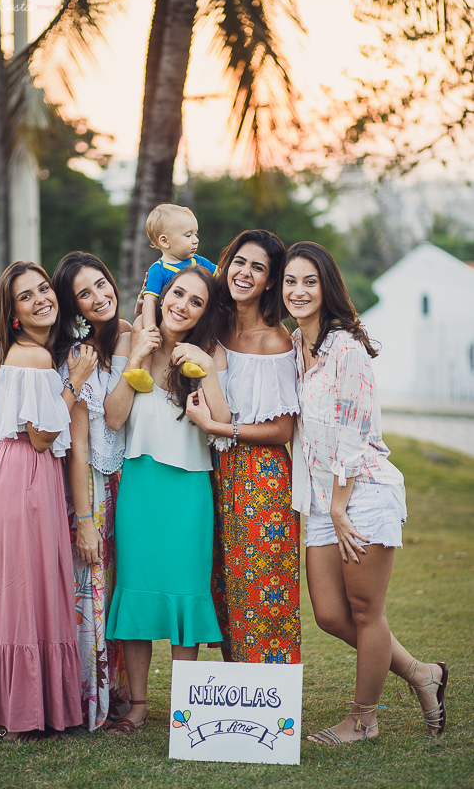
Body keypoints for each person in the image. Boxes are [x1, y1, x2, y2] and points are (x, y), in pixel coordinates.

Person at [282, 241, 448, 743]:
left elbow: (353, 433)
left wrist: (339, 505)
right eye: (290, 280)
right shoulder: (296, 345)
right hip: (318, 498)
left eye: (309, 280)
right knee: (330, 614)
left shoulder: (346, 349)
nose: (298, 290)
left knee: (365, 611)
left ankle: (363, 719)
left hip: (362, 492)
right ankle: (423, 674)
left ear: (327, 286)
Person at [0, 261, 97, 741]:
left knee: (5, 595)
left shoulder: (22, 352)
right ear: (13, 313)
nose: (41, 299)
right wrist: (75, 380)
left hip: (6, 479)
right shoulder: (34, 358)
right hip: (26, 480)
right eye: (26, 296)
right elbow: (41, 436)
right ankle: (17, 713)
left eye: (43, 289)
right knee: (22, 596)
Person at [103, 265, 230, 733]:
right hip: (140, 486)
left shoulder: (207, 353)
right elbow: (114, 418)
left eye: (196, 301)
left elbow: (225, 424)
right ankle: (138, 705)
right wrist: (137, 353)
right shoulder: (131, 342)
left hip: (189, 491)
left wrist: (207, 373)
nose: (183, 305)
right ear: (163, 293)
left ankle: (187, 707)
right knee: (136, 594)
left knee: (185, 595)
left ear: (205, 312)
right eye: (178, 294)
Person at [186, 230, 301, 664]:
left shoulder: (275, 341)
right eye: (239, 262)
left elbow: (282, 430)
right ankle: (239, 696)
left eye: (258, 267)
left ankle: (270, 700)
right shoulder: (214, 325)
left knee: (264, 592)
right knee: (225, 588)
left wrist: (220, 428)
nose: (244, 273)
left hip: (262, 480)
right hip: (215, 474)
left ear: (271, 281)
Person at [52, 251, 137, 732]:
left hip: (123, 484)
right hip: (91, 489)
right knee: (91, 592)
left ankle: (118, 691)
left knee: (113, 592)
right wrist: (85, 521)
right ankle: (89, 701)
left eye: (101, 284)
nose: (99, 296)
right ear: (73, 306)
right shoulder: (78, 354)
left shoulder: (125, 334)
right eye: (84, 293)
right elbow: (79, 446)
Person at [127, 203, 217, 391]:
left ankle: (188, 365)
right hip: (162, 319)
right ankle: (144, 371)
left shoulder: (198, 262)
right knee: (138, 325)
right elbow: (149, 299)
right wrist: (150, 328)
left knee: (206, 336)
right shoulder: (158, 269)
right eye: (188, 235)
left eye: (196, 234)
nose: (195, 241)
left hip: (188, 319)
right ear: (165, 241)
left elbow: (222, 276)